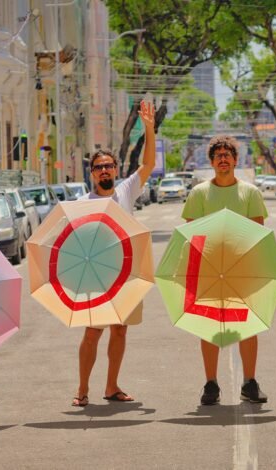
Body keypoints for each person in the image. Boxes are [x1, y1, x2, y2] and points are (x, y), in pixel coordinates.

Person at [72, 99, 157, 406]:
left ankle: (111, 386)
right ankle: (82, 389)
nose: (104, 170)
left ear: (115, 169)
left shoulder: (125, 191)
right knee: (92, 334)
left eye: (108, 165)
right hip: (96, 277)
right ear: (92, 173)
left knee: (120, 332)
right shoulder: (82, 203)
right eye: (99, 167)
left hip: (125, 275)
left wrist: (149, 129)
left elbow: (148, 164)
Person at [181, 135, 269, 405]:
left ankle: (249, 382)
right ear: (211, 161)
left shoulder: (250, 192)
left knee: (248, 326)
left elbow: (258, 231)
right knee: (208, 326)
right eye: (217, 155)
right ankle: (211, 384)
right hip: (208, 269)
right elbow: (191, 233)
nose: (222, 159)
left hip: (242, 269)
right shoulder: (199, 193)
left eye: (227, 154)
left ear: (235, 159)